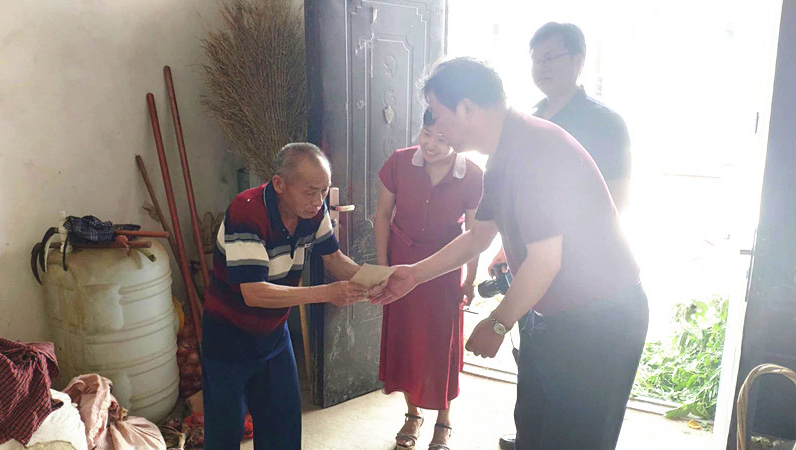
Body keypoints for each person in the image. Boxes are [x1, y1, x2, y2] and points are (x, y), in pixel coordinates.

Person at [372, 58, 648, 450]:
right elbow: (477, 237)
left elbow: (545, 261)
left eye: (438, 111)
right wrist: (413, 275)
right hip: (549, 312)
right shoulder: (503, 155)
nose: (435, 124)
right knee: (534, 432)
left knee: (574, 440)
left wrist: (498, 322)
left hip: (599, 318)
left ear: (467, 108)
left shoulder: (535, 149)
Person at [497, 22, 633, 449]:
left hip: (586, 285)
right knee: (535, 386)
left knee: (583, 411)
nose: (541, 66)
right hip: (538, 280)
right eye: (535, 59)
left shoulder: (604, 123)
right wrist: (508, 250)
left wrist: (552, 253)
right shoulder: (530, 119)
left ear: (578, 61)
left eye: (550, 57)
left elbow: (616, 201)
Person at [200, 142, 377, 449]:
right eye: (310, 192)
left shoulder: (313, 211)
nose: (318, 201)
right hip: (229, 337)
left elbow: (334, 259)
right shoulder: (247, 210)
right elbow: (254, 293)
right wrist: (327, 293)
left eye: (324, 191)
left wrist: (375, 280)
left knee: (283, 427)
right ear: (279, 184)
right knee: (225, 432)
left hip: (273, 335)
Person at [375, 109, 483, 450]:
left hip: (445, 270)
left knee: (441, 344)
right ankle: (412, 415)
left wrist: (470, 280)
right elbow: (382, 214)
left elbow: (475, 235)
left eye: (442, 138)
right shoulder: (399, 162)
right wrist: (383, 267)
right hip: (401, 264)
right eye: (426, 133)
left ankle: (443, 420)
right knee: (405, 340)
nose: (431, 144)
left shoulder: (473, 175)